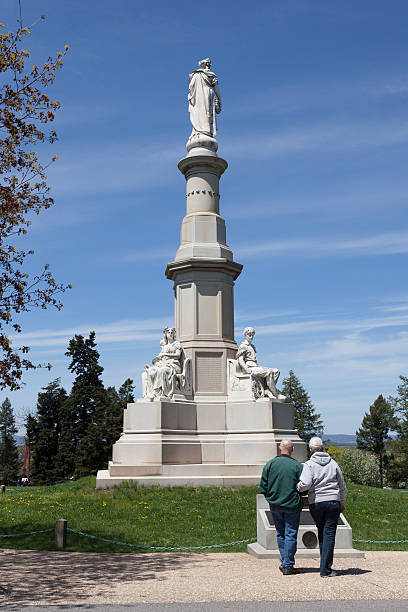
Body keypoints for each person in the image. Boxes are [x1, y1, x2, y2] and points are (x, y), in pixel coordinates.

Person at [297, 436, 347, 577]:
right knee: (329, 534)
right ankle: (326, 569)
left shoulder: (309, 465)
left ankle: (324, 568)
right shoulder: (333, 463)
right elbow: (342, 486)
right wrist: (341, 501)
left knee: (322, 533)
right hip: (333, 502)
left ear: (311, 450)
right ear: (322, 448)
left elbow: (305, 484)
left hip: (317, 502)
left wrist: (298, 487)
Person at [260, 439, 303, 575]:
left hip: (276, 505)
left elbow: (263, 486)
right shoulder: (297, 466)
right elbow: (304, 486)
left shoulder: (270, 464)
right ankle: (288, 564)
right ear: (292, 449)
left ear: (280, 448)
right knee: (290, 534)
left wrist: (271, 499)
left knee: (281, 534)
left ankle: (285, 562)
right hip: (292, 505)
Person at [237, 327, 285, 400]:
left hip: (255, 366)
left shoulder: (252, 346)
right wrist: (246, 369)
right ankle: (275, 394)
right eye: (249, 334)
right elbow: (240, 359)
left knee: (276, 371)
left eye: (252, 335)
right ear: (245, 335)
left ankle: (268, 389)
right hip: (250, 368)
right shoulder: (243, 346)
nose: (251, 336)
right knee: (268, 372)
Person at [143, 327, 183, 400]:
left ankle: (157, 392)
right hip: (163, 364)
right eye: (169, 332)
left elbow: (178, 355)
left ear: (174, 334)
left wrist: (166, 355)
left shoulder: (176, 344)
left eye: (172, 332)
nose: (170, 334)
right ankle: (150, 393)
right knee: (150, 371)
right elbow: (158, 358)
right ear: (166, 334)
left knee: (162, 371)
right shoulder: (164, 346)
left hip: (173, 365)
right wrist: (154, 362)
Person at [188, 58, 221, 139]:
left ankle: (199, 129)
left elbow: (191, 91)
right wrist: (220, 100)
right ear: (207, 64)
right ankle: (205, 130)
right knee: (206, 112)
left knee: (199, 112)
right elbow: (216, 88)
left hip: (197, 98)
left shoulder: (195, 75)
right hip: (207, 94)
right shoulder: (210, 74)